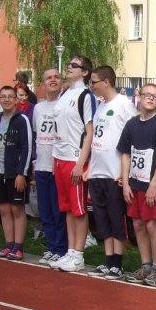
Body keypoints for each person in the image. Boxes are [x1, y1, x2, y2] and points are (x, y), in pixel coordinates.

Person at [118, 82, 156, 286]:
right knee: (138, 225)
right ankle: (145, 265)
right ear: (139, 96)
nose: (150, 98)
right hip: (134, 184)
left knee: (152, 225)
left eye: (155, 96)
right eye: (147, 94)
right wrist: (125, 184)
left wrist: (154, 185)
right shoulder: (131, 124)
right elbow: (125, 154)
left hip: (151, 186)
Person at [86, 65, 135, 277]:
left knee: (116, 218)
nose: (92, 86)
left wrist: (126, 173)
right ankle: (107, 260)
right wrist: (90, 167)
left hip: (114, 172)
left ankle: (117, 262)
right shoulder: (100, 106)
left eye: (94, 82)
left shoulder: (124, 104)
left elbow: (132, 137)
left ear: (106, 82)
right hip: (97, 171)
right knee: (101, 218)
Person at [51, 54, 97, 272]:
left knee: (79, 210)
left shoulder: (85, 95)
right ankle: (70, 252)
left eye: (74, 65)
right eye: (69, 64)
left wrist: (81, 162)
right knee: (67, 209)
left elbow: (90, 132)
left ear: (84, 72)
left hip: (74, 159)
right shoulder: (64, 93)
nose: (69, 67)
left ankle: (79, 254)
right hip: (59, 158)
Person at [0, 85, 32, 260]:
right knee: (4, 209)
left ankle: (18, 247)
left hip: (15, 173)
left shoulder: (22, 120)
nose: (6, 100)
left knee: (16, 209)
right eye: (3, 96)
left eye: (10, 96)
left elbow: (27, 147)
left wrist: (22, 173)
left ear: (16, 100)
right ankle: (9, 244)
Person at [33, 67, 66, 263]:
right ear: (43, 83)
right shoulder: (38, 108)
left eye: (56, 77)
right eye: (48, 78)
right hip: (41, 166)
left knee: (58, 210)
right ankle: (52, 246)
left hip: (59, 167)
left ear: (61, 81)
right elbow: (37, 135)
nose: (53, 80)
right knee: (45, 210)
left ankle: (61, 249)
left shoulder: (65, 105)